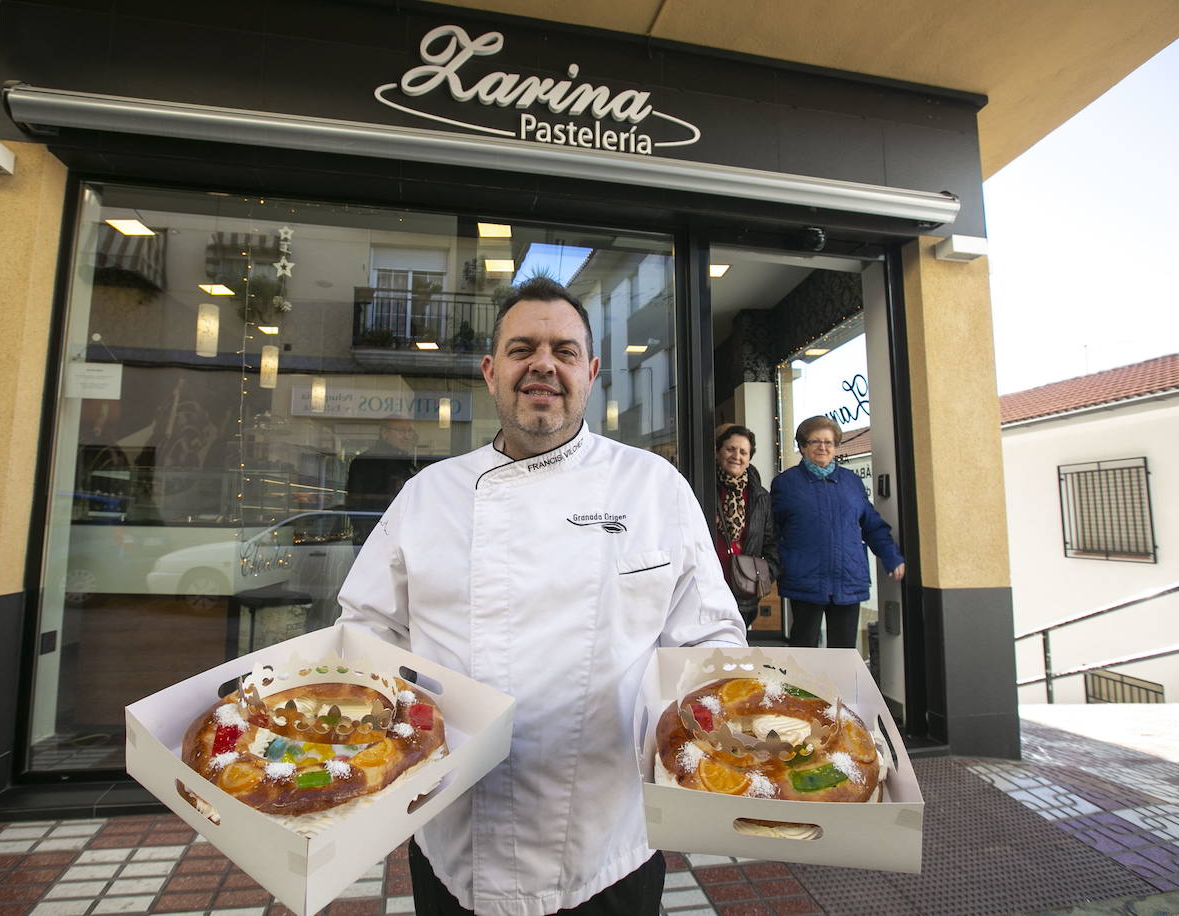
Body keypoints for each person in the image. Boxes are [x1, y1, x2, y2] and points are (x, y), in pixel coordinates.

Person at [337, 276, 746, 916]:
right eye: (523, 347)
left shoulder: (652, 487)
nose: (543, 365)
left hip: (607, 844)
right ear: (491, 370)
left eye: (564, 349)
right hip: (456, 840)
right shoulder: (428, 496)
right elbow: (364, 638)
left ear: (592, 370)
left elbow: (711, 643)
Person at [770, 416, 905, 649]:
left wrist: (891, 556)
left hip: (848, 580)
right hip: (805, 581)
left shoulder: (851, 482)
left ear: (835, 447)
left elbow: (872, 524)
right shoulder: (786, 483)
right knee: (803, 650)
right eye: (815, 442)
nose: (822, 447)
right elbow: (772, 530)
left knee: (843, 653)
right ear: (803, 447)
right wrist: (775, 566)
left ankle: (839, 688)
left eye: (828, 442)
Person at [712, 425, 780, 629]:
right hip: (708, 589)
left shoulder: (760, 497)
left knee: (736, 655)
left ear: (749, 458)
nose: (736, 456)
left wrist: (762, 575)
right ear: (718, 451)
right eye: (730, 449)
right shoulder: (702, 487)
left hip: (743, 595)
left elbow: (771, 545)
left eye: (743, 452)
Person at [344, 417, 420, 544]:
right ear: (384, 433)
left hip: (397, 533)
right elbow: (358, 503)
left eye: (409, 431)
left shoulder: (404, 461)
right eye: (401, 431)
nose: (406, 436)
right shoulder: (367, 462)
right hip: (374, 535)